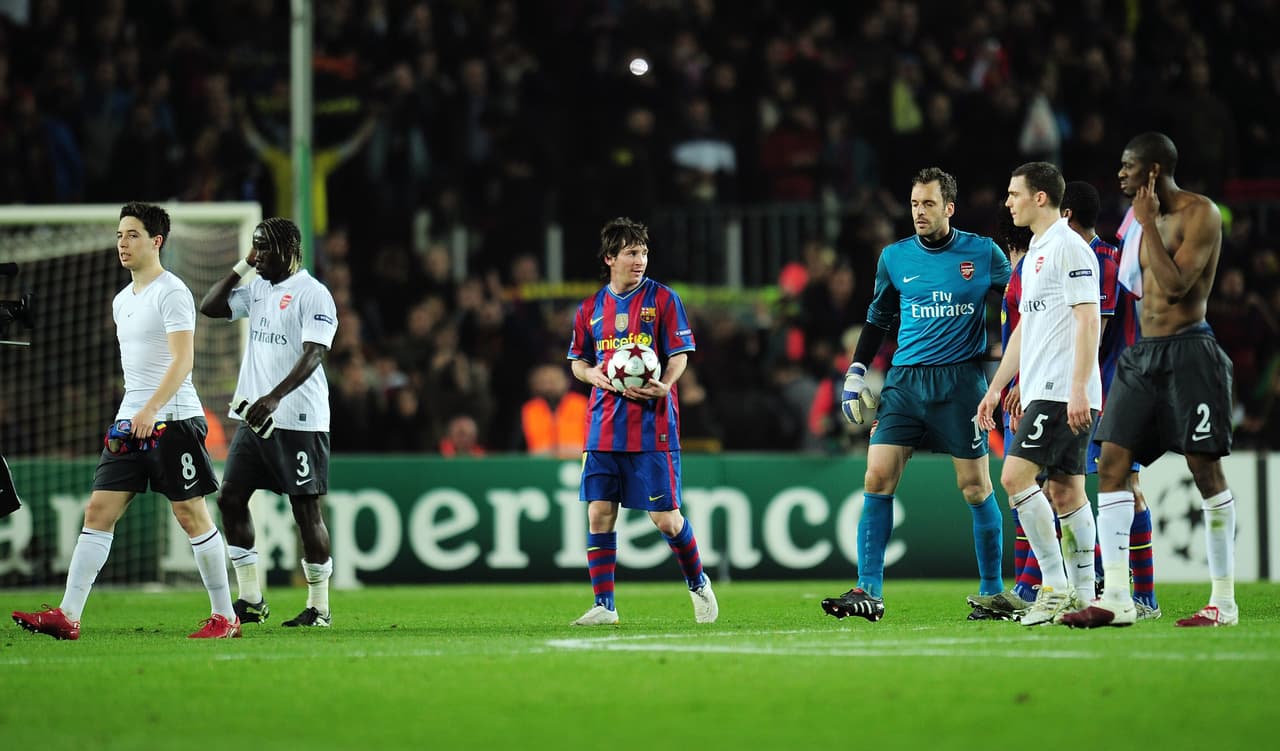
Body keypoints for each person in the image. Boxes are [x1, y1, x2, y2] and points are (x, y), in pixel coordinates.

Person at [12, 202, 236, 640]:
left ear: (157, 241)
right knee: (97, 511)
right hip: (131, 422)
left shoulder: (172, 291)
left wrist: (151, 410)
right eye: (119, 235)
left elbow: (183, 360)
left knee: (191, 515)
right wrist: (130, 414)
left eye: (132, 235)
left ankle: (225, 617)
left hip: (172, 419)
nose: (122, 243)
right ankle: (68, 615)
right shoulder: (120, 301)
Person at [820, 167, 1012, 623]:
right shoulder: (894, 257)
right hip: (905, 383)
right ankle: (868, 590)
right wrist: (856, 371)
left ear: (949, 207)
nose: (918, 213)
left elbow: (1017, 305)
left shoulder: (983, 253)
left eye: (927, 204)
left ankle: (993, 594)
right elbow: (878, 318)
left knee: (975, 487)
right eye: (913, 204)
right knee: (876, 477)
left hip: (961, 383)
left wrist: (1014, 369)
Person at [1063, 132, 1236, 628]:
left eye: (1128, 165)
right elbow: (1126, 292)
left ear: (1154, 170)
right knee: (1113, 462)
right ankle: (1117, 597)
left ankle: (1223, 601)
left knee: (1205, 470)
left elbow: (1178, 287)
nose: (1120, 174)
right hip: (1142, 357)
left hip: (1190, 350)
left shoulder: (1200, 214)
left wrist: (1147, 225)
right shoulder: (1133, 222)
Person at [566, 217, 717, 625]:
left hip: (652, 425)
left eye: (644, 252)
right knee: (599, 512)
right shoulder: (589, 309)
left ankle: (698, 583)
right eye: (632, 253)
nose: (640, 260)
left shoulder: (664, 300)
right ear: (610, 257)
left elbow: (680, 354)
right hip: (602, 425)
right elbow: (579, 362)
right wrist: (593, 375)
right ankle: (605, 605)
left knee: (665, 519)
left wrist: (666, 384)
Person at [976, 162, 1102, 627]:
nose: (1008, 202)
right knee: (1067, 490)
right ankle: (1087, 597)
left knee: (1013, 477)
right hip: (1048, 388)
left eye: (1015, 194)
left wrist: (1077, 389)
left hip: (1060, 390)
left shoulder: (1069, 248)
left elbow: (1089, 319)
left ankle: (1053, 585)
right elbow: (1026, 329)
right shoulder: (1035, 256)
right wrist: (996, 388)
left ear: (1041, 197)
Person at [199, 217, 339, 628]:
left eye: (264, 248)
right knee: (229, 499)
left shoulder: (313, 294)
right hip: (254, 418)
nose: (258, 255)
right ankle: (251, 599)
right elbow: (210, 307)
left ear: (289, 250)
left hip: (299, 419)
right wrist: (243, 265)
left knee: (306, 513)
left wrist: (275, 396)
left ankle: (319, 607)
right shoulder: (258, 285)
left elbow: (314, 353)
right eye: (254, 247)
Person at [520, 363, 589, 458]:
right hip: (540, 463)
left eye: (554, 381)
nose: (549, 386)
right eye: (544, 382)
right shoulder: (530, 409)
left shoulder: (582, 404)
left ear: (566, 381)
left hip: (578, 460)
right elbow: (518, 446)